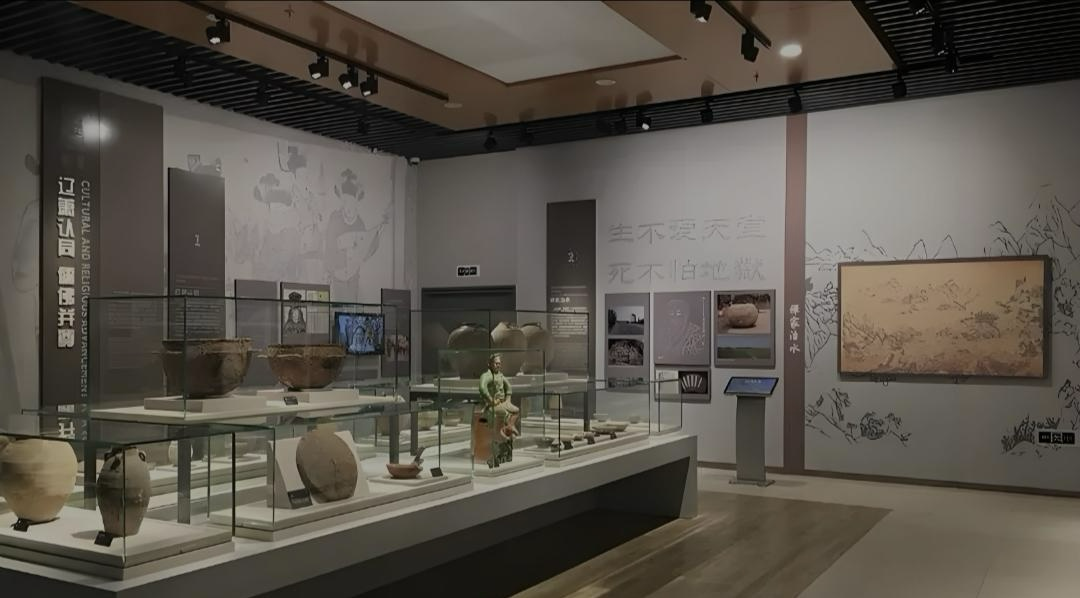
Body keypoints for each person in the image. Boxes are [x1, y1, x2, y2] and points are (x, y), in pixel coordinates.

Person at [479, 353, 519, 440]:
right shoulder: (487, 376)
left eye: (499, 363)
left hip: (503, 402)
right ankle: (499, 432)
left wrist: (508, 400)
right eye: (496, 363)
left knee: (516, 411)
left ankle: (509, 427)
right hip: (493, 404)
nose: (498, 365)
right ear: (489, 364)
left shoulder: (500, 375)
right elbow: (482, 388)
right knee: (504, 413)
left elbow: (508, 386)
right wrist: (490, 400)